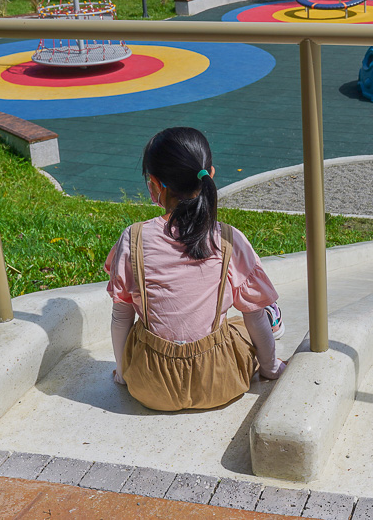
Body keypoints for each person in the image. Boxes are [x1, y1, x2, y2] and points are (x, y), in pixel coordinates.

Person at [105, 127, 285, 410]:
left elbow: (121, 317)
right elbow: (253, 316)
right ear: (209, 175)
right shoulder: (228, 238)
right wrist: (270, 368)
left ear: (154, 184)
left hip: (150, 386)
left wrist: (124, 375)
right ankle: (277, 320)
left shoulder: (133, 238)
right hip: (218, 382)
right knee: (245, 320)